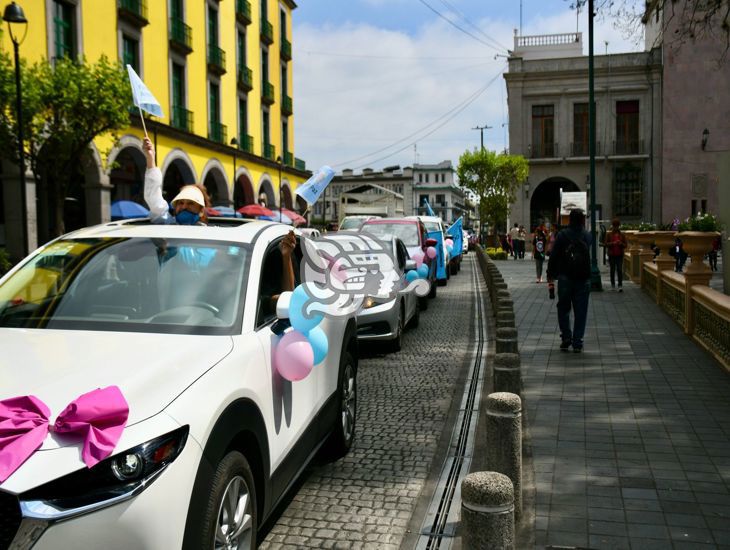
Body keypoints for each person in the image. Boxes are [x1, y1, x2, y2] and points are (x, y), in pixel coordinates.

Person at [546, 209, 592, 353]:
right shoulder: (587, 235)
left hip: (565, 277)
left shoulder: (562, 235)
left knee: (563, 308)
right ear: (582, 220)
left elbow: (553, 256)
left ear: (569, 220)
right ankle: (577, 342)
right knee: (581, 311)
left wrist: (550, 274)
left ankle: (566, 337)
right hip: (583, 278)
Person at [143, 137, 209, 225]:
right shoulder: (168, 224)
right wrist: (150, 158)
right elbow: (154, 200)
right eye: (181, 203)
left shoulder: (211, 235)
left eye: (191, 203)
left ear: (201, 210)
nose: (184, 207)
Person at [604, 218, 627, 291]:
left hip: (620, 255)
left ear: (618, 226)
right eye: (614, 226)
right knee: (612, 270)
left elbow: (626, 245)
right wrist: (612, 243)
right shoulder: (609, 234)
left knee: (619, 270)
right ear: (613, 226)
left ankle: (620, 285)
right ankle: (613, 285)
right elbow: (605, 244)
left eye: (617, 226)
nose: (616, 227)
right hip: (612, 255)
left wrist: (620, 243)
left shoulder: (622, 235)